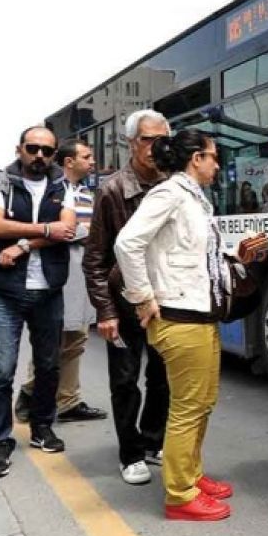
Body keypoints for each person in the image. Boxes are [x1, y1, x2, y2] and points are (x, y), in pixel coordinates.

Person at [114, 130, 248, 522]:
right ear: (195, 159)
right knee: (188, 407)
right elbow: (127, 244)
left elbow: (189, 253)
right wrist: (142, 296)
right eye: (212, 157)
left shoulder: (192, 197)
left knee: (202, 403)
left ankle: (189, 474)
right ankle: (179, 495)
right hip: (178, 316)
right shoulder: (169, 193)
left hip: (200, 314)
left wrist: (235, 257)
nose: (217, 164)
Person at [0, 127, 77, 479]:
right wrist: (46, 230)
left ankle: (42, 428)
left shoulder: (62, 184)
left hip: (48, 288)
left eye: (47, 151)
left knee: (49, 366)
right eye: (33, 148)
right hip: (5, 291)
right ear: (19, 148)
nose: (39, 156)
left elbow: (67, 229)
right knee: (1, 370)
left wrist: (23, 242)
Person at [84, 109, 171, 486]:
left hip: (167, 299)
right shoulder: (112, 189)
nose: (154, 148)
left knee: (163, 376)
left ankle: (152, 441)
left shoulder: (174, 184)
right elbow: (95, 259)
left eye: (160, 140)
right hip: (124, 302)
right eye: (147, 140)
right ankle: (130, 452)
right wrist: (105, 310)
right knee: (125, 380)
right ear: (132, 143)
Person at [14, 139, 107, 425]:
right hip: (59, 270)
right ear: (69, 162)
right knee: (53, 338)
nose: (92, 162)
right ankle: (30, 394)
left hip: (83, 272)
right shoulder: (53, 188)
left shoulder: (84, 191)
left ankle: (67, 400)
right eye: (86, 156)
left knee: (76, 338)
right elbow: (60, 230)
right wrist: (89, 231)